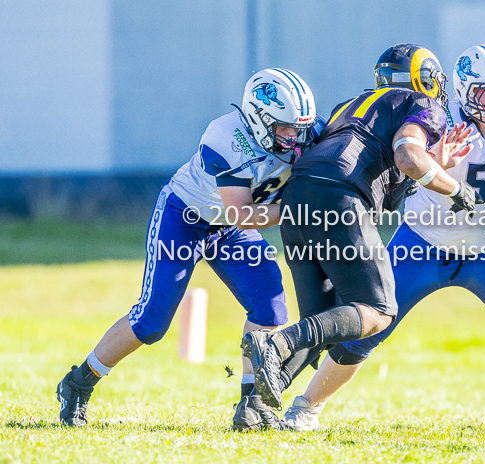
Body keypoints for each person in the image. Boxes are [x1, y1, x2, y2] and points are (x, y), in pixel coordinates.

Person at [278, 44, 485, 437]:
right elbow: (401, 160)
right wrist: (436, 160)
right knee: (368, 325)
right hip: (421, 241)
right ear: (465, 90)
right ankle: (306, 407)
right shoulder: (435, 118)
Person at [56, 68, 323, 428]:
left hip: (226, 226)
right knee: (150, 321)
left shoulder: (305, 129)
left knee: (270, 304)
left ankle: (252, 405)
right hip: (186, 217)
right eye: (286, 128)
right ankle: (78, 384)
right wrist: (302, 209)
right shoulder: (226, 138)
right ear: (259, 120)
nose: (297, 137)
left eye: (300, 127)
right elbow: (242, 214)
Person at [239, 43, 476, 420]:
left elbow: (388, 190)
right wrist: (454, 186)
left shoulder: (350, 105)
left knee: (323, 324)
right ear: (425, 78)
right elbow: (408, 158)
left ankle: (252, 410)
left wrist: (433, 163)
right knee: (380, 310)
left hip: (298, 196)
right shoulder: (421, 104)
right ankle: (278, 342)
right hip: (339, 195)